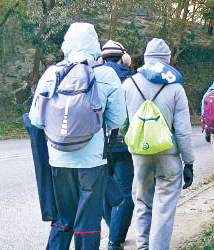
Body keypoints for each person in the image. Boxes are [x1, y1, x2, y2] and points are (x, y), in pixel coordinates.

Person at [28, 21, 126, 250]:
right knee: (88, 221)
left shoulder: (51, 74)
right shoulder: (106, 75)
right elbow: (118, 120)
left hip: (58, 158)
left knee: (63, 219)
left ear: (67, 44)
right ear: (95, 46)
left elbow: (36, 119)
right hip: (93, 160)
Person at [121, 38, 195, 250]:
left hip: (140, 155)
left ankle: (143, 247)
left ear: (145, 58)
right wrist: (188, 162)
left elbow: (123, 124)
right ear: (167, 60)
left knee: (142, 202)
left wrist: (135, 142)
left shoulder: (129, 84)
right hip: (169, 155)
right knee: (163, 208)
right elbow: (182, 131)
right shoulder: (175, 88)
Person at [99, 40, 134, 250]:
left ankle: (113, 228)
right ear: (124, 58)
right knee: (126, 192)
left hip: (100, 145)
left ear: (102, 58)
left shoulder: (94, 76)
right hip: (123, 144)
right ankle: (115, 239)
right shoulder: (129, 79)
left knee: (106, 188)